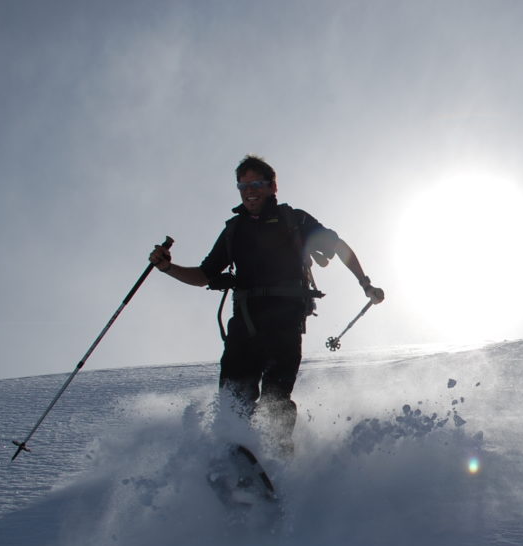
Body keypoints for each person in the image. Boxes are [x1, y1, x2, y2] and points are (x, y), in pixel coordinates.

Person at [149, 155, 384, 454]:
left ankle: (277, 460)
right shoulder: (234, 230)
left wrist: (365, 283)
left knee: (275, 399)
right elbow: (204, 275)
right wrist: (168, 268)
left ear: (273, 186)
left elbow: (337, 246)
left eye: (257, 183)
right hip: (245, 324)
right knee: (234, 397)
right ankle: (234, 458)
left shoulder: (294, 219)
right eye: (243, 185)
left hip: (285, 323)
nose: (250, 190)